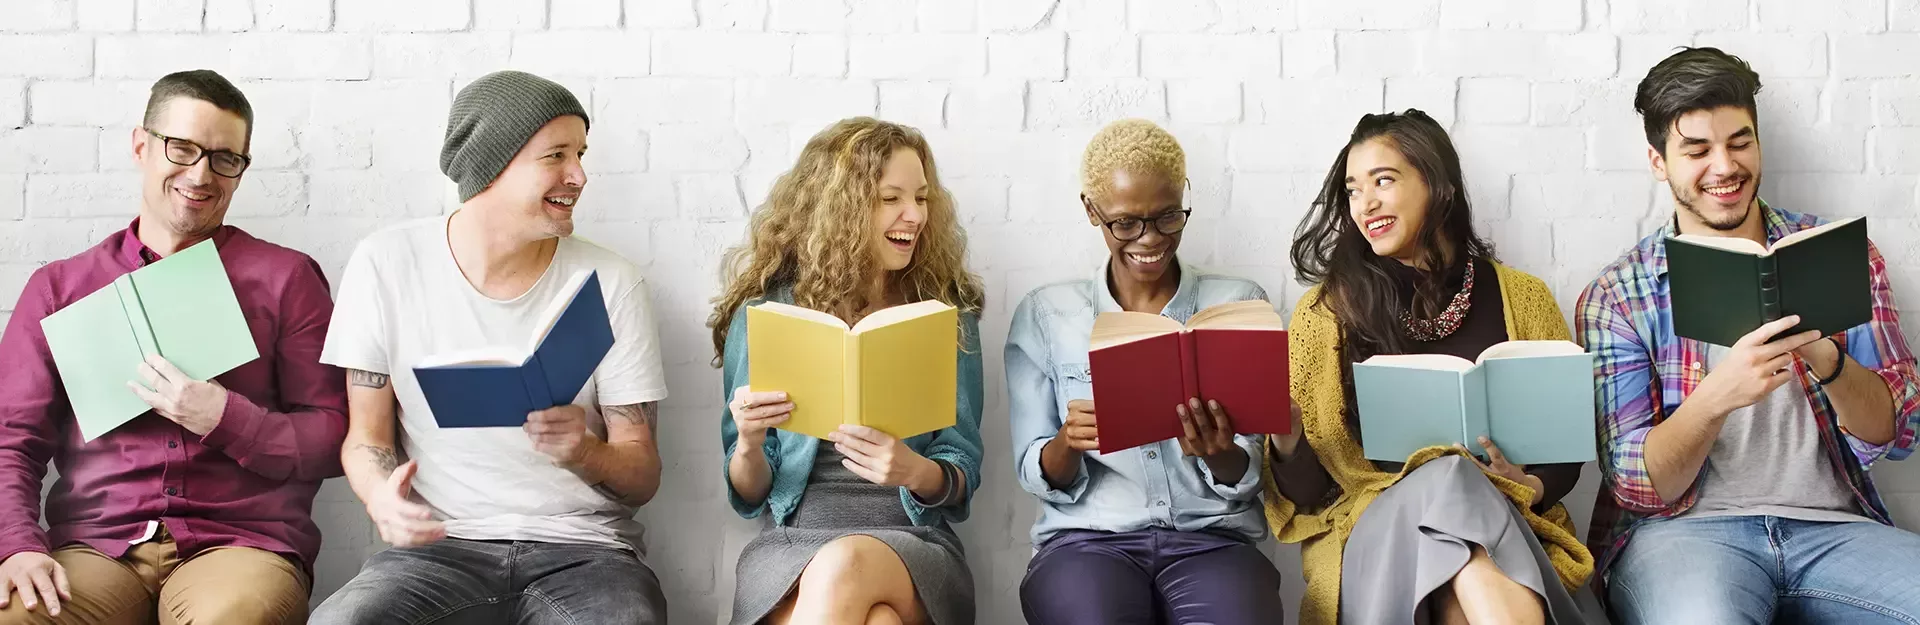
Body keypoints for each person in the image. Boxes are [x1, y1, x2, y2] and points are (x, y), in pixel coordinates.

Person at [310, 70, 671, 624]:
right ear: (492, 167)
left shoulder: (609, 282)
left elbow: (642, 475)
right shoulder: (387, 264)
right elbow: (366, 438)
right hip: (440, 549)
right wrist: (381, 497)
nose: (579, 175)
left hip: (585, 554)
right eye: (556, 155)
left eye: (580, 153)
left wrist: (587, 452)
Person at [1579, 47, 1920, 624]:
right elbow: (1638, 485)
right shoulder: (1619, 294)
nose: (1725, 167)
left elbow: (1901, 431)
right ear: (1658, 162)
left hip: (1836, 531)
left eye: (1740, 142)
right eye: (1697, 150)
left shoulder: (1843, 256)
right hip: (1683, 537)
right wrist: (1717, 395)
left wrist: (1825, 356)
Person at [0, 69, 345, 624]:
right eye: (182, 148)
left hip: (240, 545)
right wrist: (16, 544)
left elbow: (336, 435)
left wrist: (227, 418)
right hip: (96, 546)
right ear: (142, 146)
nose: (201, 173)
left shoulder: (286, 279)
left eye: (224, 158)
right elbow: (10, 438)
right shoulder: (60, 289)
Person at [1261, 109, 1593, 625]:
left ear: (1438, 186)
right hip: (1376, 537)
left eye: (1383, 181)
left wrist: (1528, 486)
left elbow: (1564, 453)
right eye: (1352, 190)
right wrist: (1286, 432)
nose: (1365, 203)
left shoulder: (1522, 298)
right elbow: (1309, 497)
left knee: (1460, 581)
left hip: (1502, 523)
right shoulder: (1323, 315)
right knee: (1450, 473)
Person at [1006, 118, 1285, 625]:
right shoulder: (1048, 314)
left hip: (1212, 541)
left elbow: (1249, 473)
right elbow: (1033, 471)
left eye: (1168, 217)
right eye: (1126, 223)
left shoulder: (1238, 305)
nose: (1150, 239)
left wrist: (1220, 453)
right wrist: (1069, 442)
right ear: (1092, 211)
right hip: (1087, 542)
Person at [713, 117, 985, 625]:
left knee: (846, 565)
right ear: (840, 209)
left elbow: (962, 469)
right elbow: (749, 494)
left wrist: (914, 470)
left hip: (914, 543)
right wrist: (749, 444)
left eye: (922, 198)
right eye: (891, 199)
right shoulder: (768, 315)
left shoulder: (945, 316)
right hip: (791, 547)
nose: (915, 215)